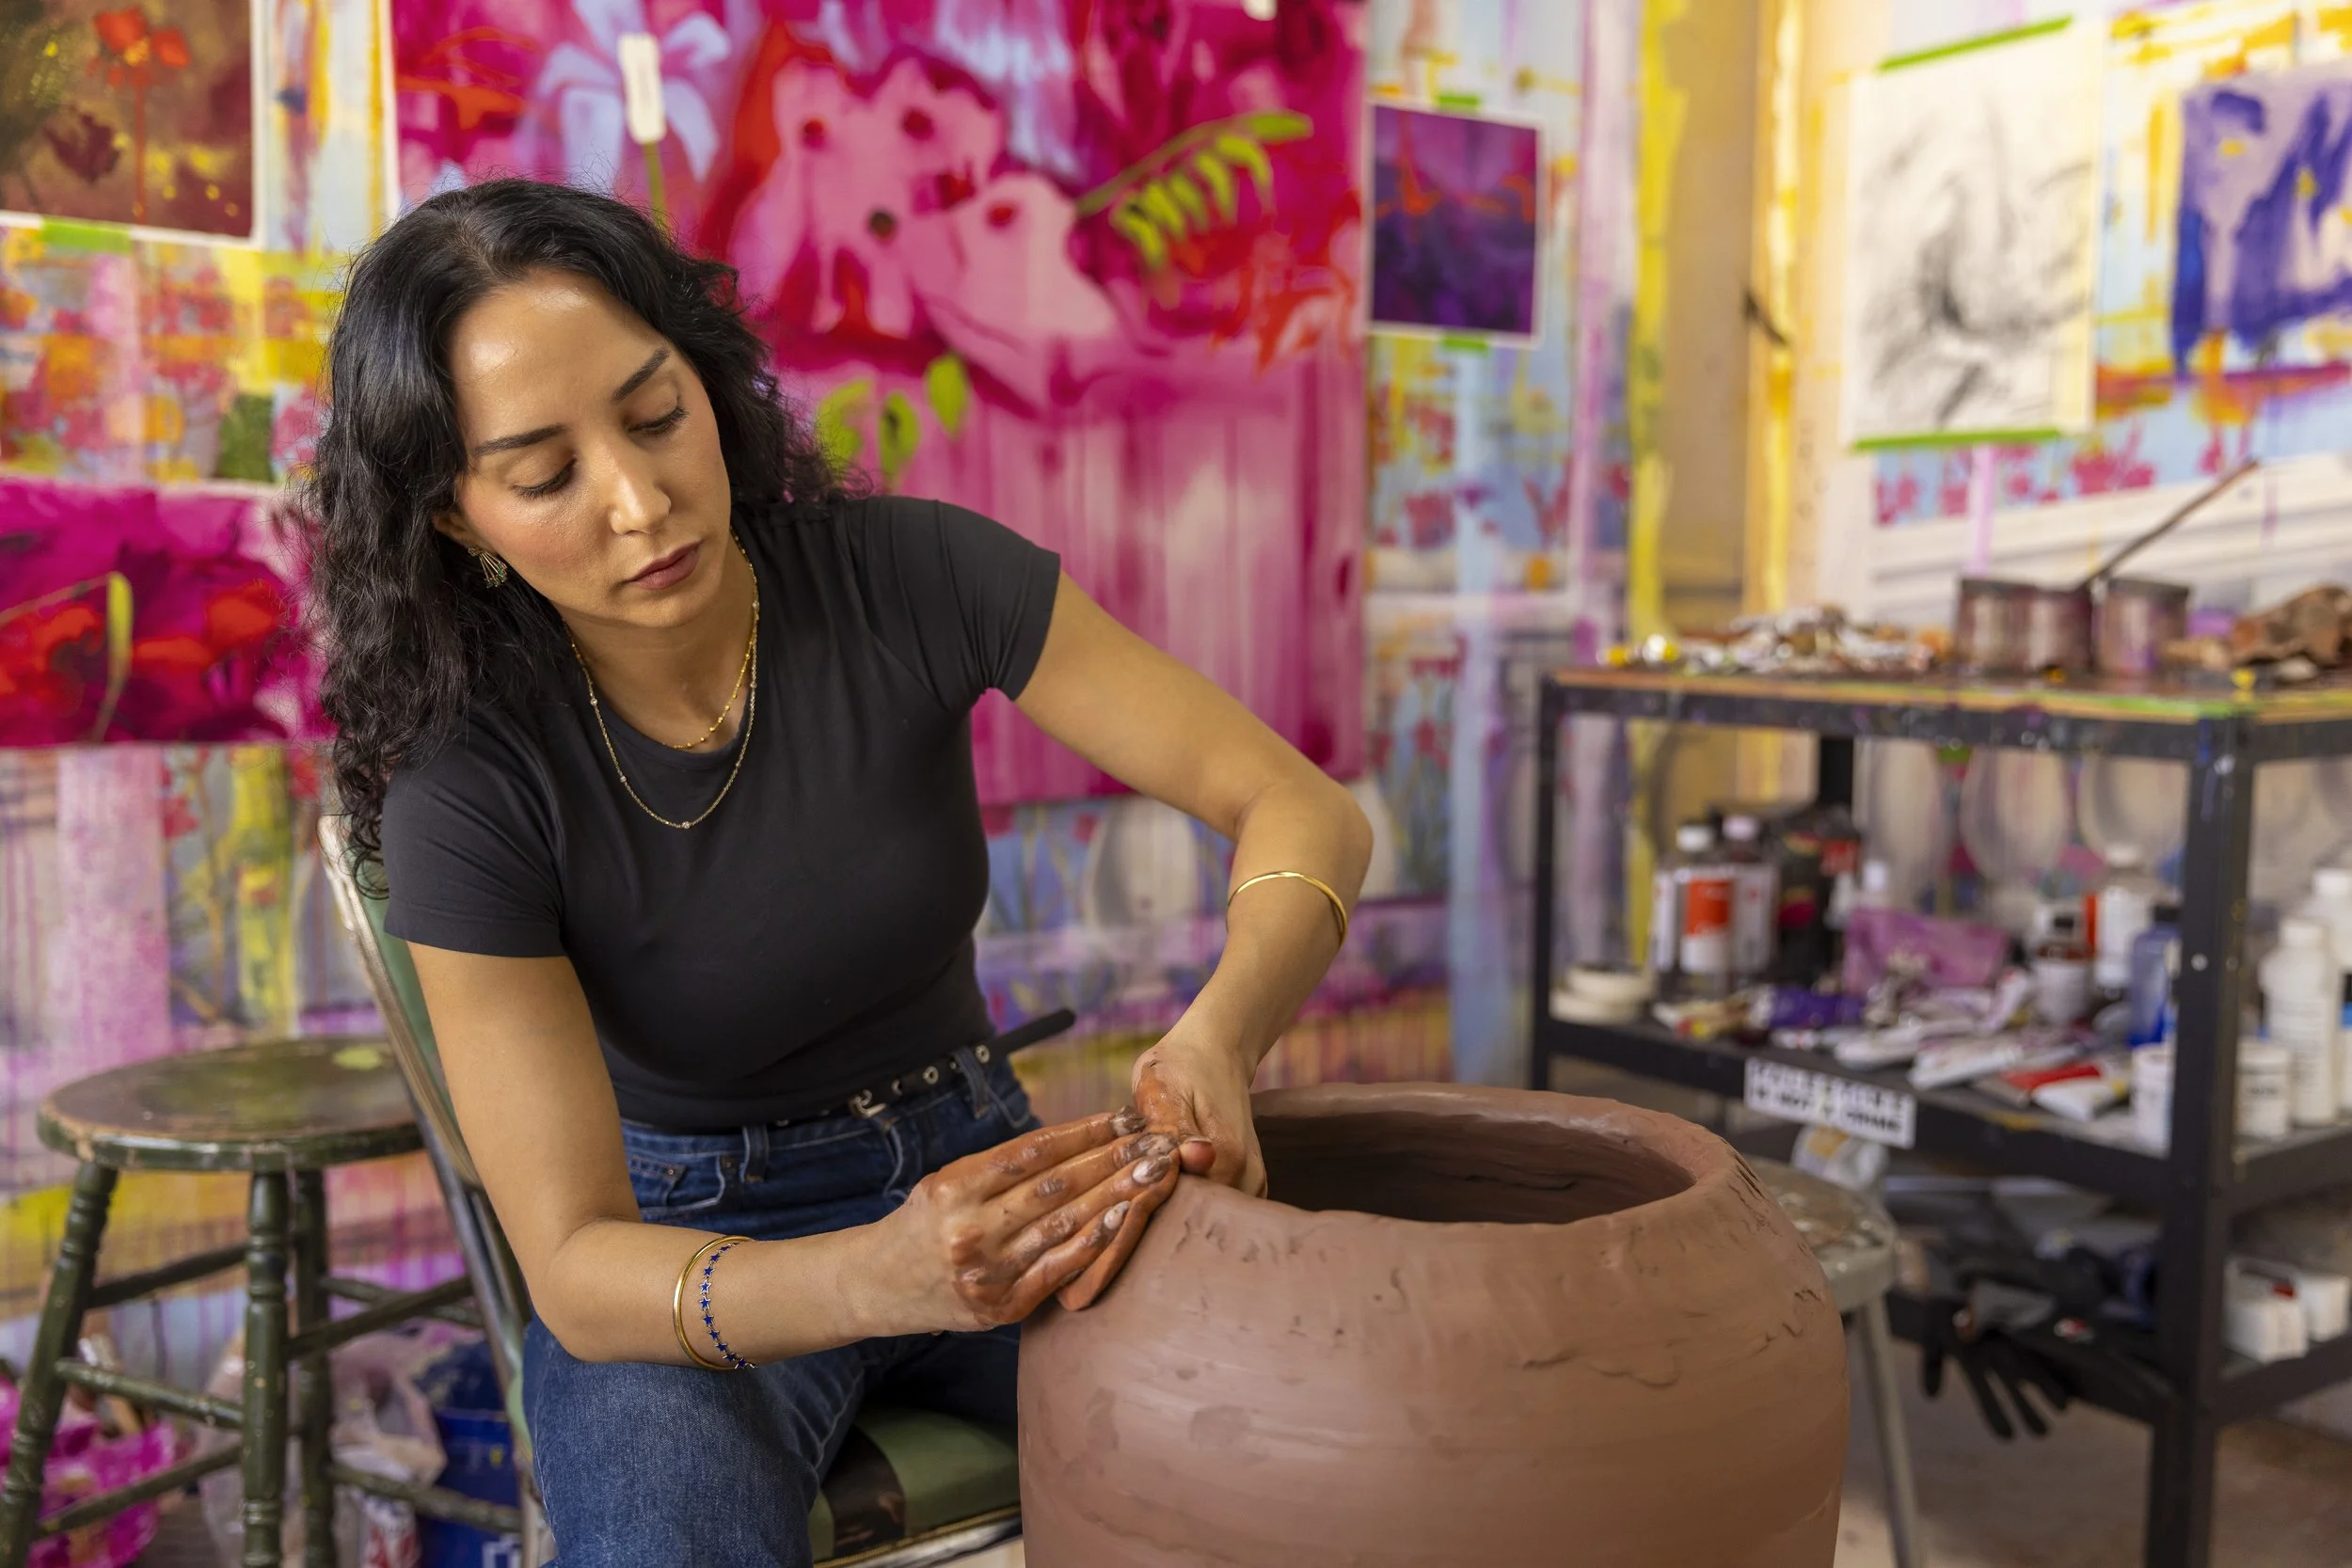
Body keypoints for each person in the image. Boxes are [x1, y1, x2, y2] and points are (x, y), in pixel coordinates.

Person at [303, 178, 1370, 1565]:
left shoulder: (912, 578)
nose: (639, 501)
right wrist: (876, 1274)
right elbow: (572, 1265)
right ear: (458, 519)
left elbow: (1298, 806)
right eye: (547, 473)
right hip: (687, 1252)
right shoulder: (471, 786)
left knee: (1316, 1444)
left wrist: (1220, 1033)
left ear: (706, 374)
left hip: (990, 1166)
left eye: (654, 412)